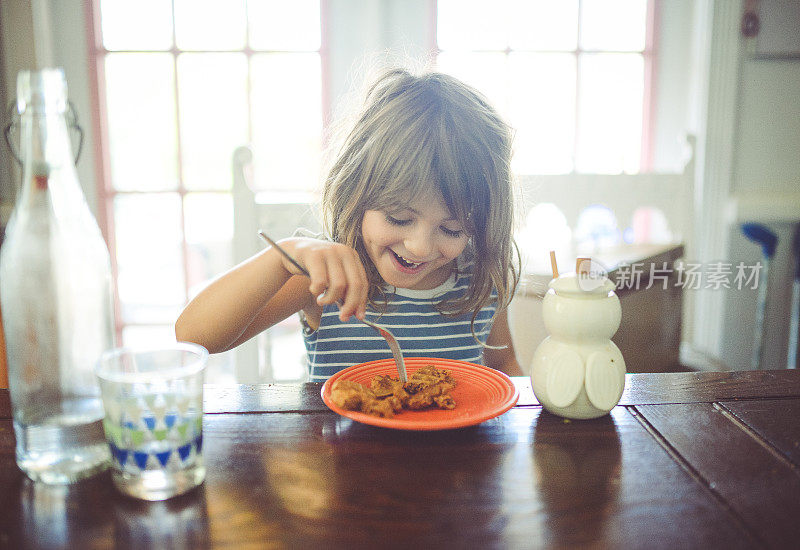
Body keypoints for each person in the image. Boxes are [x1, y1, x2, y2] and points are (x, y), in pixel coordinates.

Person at [175, 67, 523, 380]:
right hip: (338, 450)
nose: (420, 246)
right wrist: (284, 258)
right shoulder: (324, 277)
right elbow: (193, 337)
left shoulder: (482, 278)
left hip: (456, 453)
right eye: (398, 217)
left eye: (451, 229)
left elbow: (504, 365)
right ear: (357, 191)